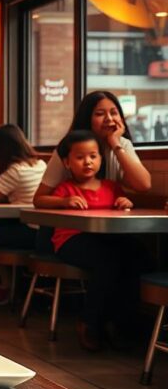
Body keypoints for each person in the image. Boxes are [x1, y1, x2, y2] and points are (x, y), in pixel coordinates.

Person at [34, 130, 139, 351]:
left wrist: (124, 201)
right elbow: (40, 200)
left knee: (134, 256)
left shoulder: (111, 187)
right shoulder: (65, 188)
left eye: (93, 156)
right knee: (108, 261)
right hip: (70, 240)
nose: (87, 162)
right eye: (80, 157)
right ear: (67, 162)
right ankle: (89, 321)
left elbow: (124, 202)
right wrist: (64, 202)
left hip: (104, 240)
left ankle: (120, 322)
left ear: (101, 158)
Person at [33, 91, 152, 204]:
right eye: (100, 114)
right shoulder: (69, 145)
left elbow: (144, 185)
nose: (109, 119)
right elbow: (39, 198)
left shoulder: (122, 144)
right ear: (87, 118)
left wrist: (115, 144)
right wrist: (65, 201)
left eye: (114, 113)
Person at [0, 125, 46, 304]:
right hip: (43, 230)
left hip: (29, 231)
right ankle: (5, 284)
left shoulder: (16, 171)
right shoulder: (40, 164)